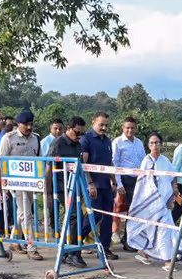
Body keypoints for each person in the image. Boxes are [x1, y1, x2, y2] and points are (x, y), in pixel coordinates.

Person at [128, 132, 181, 268]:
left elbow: (172, 175)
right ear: (148, 146)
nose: (155, 145)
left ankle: (147, 254)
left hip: (165, 204)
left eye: (157, 142)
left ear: (161, 144)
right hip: (151, 204)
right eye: (152, 143)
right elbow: (144, 184)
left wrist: (173, 193)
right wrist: (156, 202)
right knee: (156, 231)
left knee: (164, 231)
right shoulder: (146, 161)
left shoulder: (164, 160)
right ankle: (167, 261)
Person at [0, 110, 43, 260]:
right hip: (14, 182)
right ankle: (32, 247)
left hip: (31, 182)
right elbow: (1, 162)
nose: (29, 128)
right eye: (26, 125)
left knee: (23, 212)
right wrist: (0, 184)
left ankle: (13, 241)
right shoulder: (8, 138)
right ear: (18, 125)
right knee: (26, 214)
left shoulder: (36, 139)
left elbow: (40, 160)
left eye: (31, 124)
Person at [47, 116, 88, 268]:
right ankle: (72, 253)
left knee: (78, 217)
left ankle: (69, 251)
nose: (79, 137)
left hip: (74, 186)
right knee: (74, 216)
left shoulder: (77, 145)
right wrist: (49, 193)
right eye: (77, 133)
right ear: (69, 129)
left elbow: (81, 165)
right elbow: (48, 167)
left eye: (82, 134)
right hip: (60, 187)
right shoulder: (58, 143)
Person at [79, 112, 116, 259]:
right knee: (93, 216)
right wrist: (90, 184)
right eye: (101, 124)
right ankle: (73, 243)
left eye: (106, 125)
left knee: (108, 217)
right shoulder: (86, 139)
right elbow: (84, 164)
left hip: (106, 185)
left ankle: (105, 248)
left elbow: (110, 163)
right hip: (94, 186)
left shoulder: (107, 141)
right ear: (93, 122)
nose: (104, 127)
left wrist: (114, 181)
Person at [111, 116, 144, 253]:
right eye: (127, 128)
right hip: (125, 180)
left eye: (132, 128)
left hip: (138, 180)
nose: (130, 130)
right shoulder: (117, 142)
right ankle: (125, 239)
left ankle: (130, 238)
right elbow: (114, 164)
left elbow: (143, 161)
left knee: (136, 211)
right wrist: (118, 183)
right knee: (124, 210)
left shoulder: (139, 143)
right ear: (123, 128)